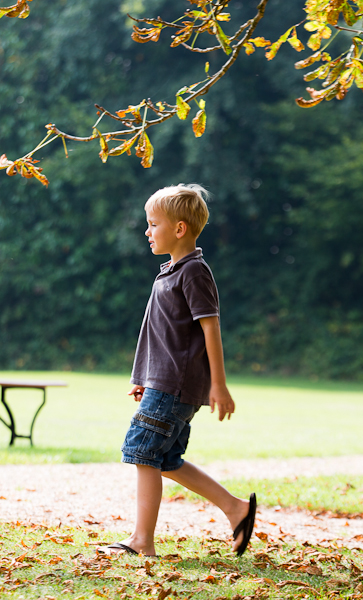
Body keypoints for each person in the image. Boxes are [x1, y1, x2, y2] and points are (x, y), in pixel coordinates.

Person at [97, 184, 257, 558]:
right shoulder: (169, 271)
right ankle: (237, 509)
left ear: (180, 228)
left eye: (153, 224)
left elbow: (210, 327)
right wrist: (142, 376)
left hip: (175, 385)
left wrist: (219, 384)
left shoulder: (194, 272)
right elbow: (158, 333)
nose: (147, 231)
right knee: (165, 460)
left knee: (142, 453)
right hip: (163, 382)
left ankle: (141, 541)